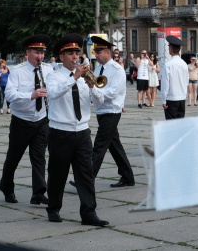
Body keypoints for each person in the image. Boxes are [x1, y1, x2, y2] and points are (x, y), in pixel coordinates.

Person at [45, 33, 109, 226]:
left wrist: (92, 87)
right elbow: (54, 94)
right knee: (58, 174)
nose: (75, 57)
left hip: (82, 131)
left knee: (86, 174)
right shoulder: (53, 75)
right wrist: (74, 78)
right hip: (60, 132)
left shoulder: (85, 77)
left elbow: (101, 100)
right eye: (70, 53)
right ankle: (53, 208)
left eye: (76, 53)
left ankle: (89, 213)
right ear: (61, 56)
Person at [0, 34, 53, 204]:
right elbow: (9, 94)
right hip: (21, 121)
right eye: (37, 52)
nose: (40, 56)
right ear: (28, 52)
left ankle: (38, 192)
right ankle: (6, 187)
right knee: (14, 157)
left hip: (42, 119)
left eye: (42, 53)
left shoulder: (48, 69)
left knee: (39, 158)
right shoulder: (17, 70)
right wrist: (31, 95)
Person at [90, 36, 135, 188]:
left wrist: (95, 91)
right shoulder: (97, 69)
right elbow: (94, 92)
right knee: (114, 145)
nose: (96, 54)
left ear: (107, 52)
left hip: (111, 111)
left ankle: (86, 178)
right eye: (95, 51)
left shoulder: (117, 70)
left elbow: (112, 93)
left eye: (99, 51)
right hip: (101, 111)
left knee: (99, 145)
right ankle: (128, 176)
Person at [161, 36, 189, 120]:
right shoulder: (184, 64)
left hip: (171, 99)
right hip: (182, 98)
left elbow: (165, 84)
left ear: (171, 50)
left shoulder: (168, 65)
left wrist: (163, 100)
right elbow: (186, 81)